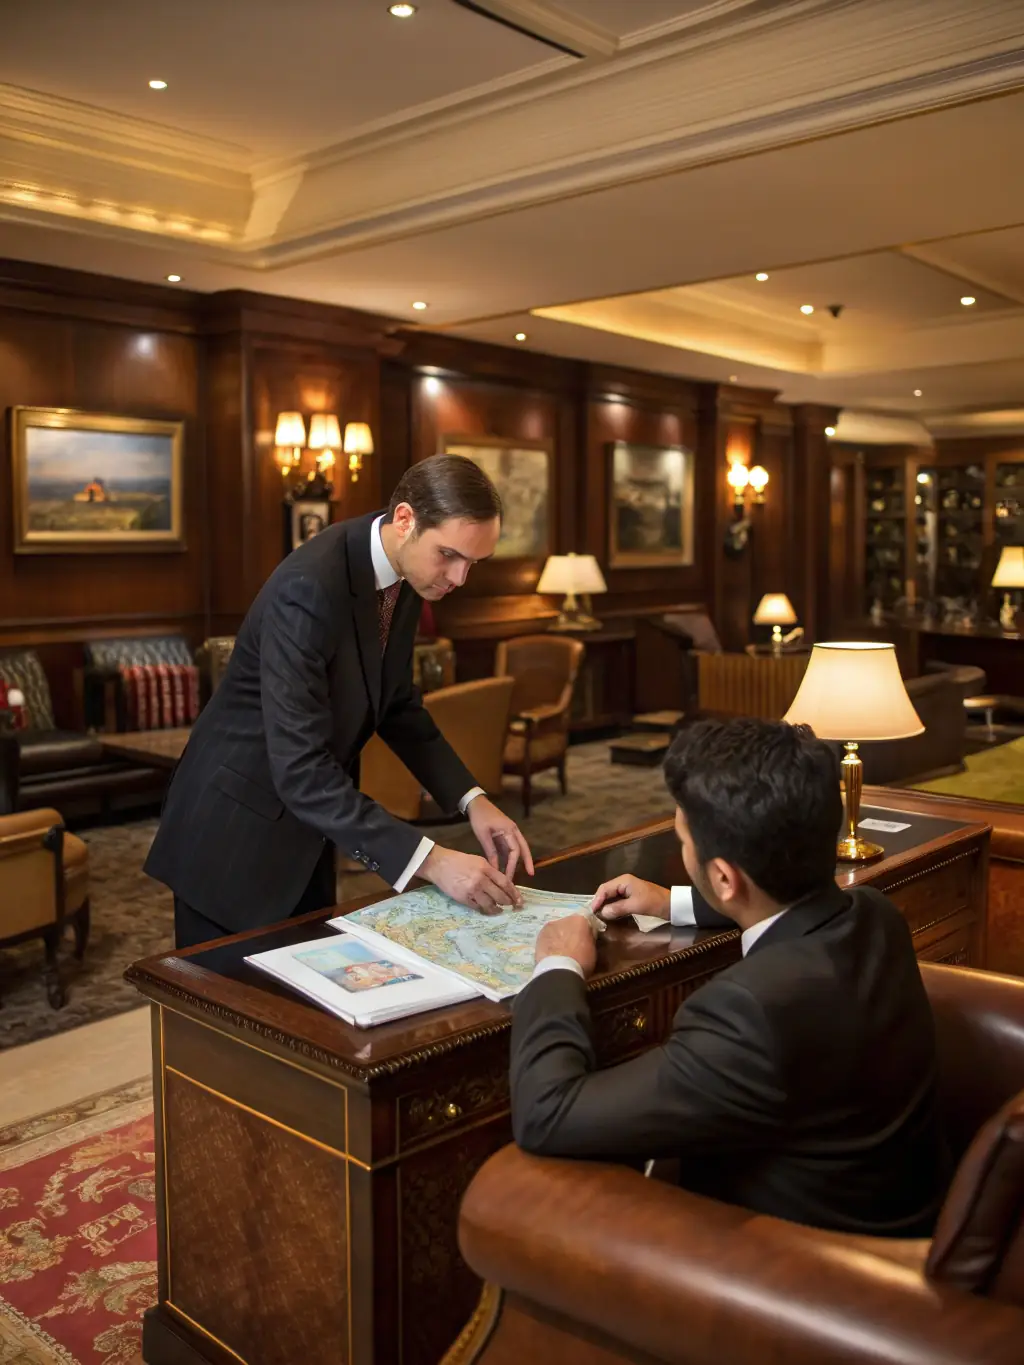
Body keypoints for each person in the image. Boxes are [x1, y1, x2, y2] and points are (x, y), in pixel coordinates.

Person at [509, 718, 949, 1236]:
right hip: (903, 1207)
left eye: (683, 840)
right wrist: (671, 902)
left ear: (724, 876)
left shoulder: (748, 1012)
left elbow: (546, 1115)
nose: (682, 850)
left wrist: (557, 966)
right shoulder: (874, 915)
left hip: (808, 1269)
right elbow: (797, 895)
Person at [146, 455, 534, 948]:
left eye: (472, 563)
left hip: (312, 825)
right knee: (228, 1018)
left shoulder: (410, 571)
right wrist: (433, 861)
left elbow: (396, 703)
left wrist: (472, 800)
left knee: (303, 1004)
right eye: (450, 556)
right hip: (233, 834)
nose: (459, 579)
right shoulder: (307, 588)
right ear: (405, 520)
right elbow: (301, 768)